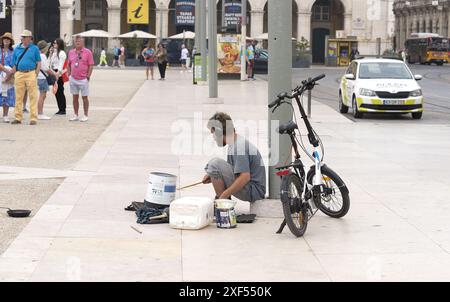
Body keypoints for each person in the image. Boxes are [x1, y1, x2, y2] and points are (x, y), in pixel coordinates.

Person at [202, 112, 266, 202]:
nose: (213, 138)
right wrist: (213, 175)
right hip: (251, 187)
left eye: (213, 133)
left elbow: (245, 177)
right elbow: (232, 171)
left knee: (214, 164)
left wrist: (224, 195)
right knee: (214, 168)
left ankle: (223, 204)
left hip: (254, 191)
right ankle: (224, 203)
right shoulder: (234, 143)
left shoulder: (239, 147)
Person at [10, 30, 41, 125]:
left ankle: (33, 118)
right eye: (22, 37)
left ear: (29, 38)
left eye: (25, 37)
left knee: (33, 96)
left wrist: (36, 73)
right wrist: (14, 74)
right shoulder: (17, 49)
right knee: (18, 96)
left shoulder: (35, 48)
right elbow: (14, 63)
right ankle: (18, 117)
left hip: (31, 72)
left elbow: (38, 62)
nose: (23, 38)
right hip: (19, 73)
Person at [67, 35, 94, 122]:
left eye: (79, 41)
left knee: (84, 98)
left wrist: (88, 76)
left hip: (83, 79)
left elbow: (91, 65)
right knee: (75, 97)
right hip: (73, 78)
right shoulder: (71, 52)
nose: (77, 42)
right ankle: (76, 114)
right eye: (76, 41)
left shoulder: (88, 52)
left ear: (83, 42)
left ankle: (86, 115)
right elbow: (68, 64)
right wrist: (69, 75)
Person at [36, 40, 56, 120]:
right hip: (42, 78)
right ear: (44, 48)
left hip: (39, 77)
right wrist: (55, 74)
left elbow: (45, 64)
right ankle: (40, 113)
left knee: (42, 95)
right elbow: (46, 68)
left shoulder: (39, 55)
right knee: (42, 95)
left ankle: (39, 112)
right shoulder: (42, 56)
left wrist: (50, 55)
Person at [0, 32, 16, 123]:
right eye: (5, 38)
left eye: (8, 39)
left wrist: (9, 74)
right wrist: (6, 71)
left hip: (9, 76)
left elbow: (15, 64)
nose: (6, 40)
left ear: (10, 41)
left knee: (7, 96)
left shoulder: (13, 52)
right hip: (1, 74)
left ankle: (5, 115)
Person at [49, 38, 67, 115]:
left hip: (59, 73)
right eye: (53, 43)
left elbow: (61, 65)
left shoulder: (62, 53)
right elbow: (49, 62)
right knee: (56, 91)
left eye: (55, 43)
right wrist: (50, 53)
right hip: (54, 71)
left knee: (60, 91)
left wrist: (58, 74)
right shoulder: (54, 53)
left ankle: (63, 109)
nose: (53, 44)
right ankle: (60, 108)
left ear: (59, 44)